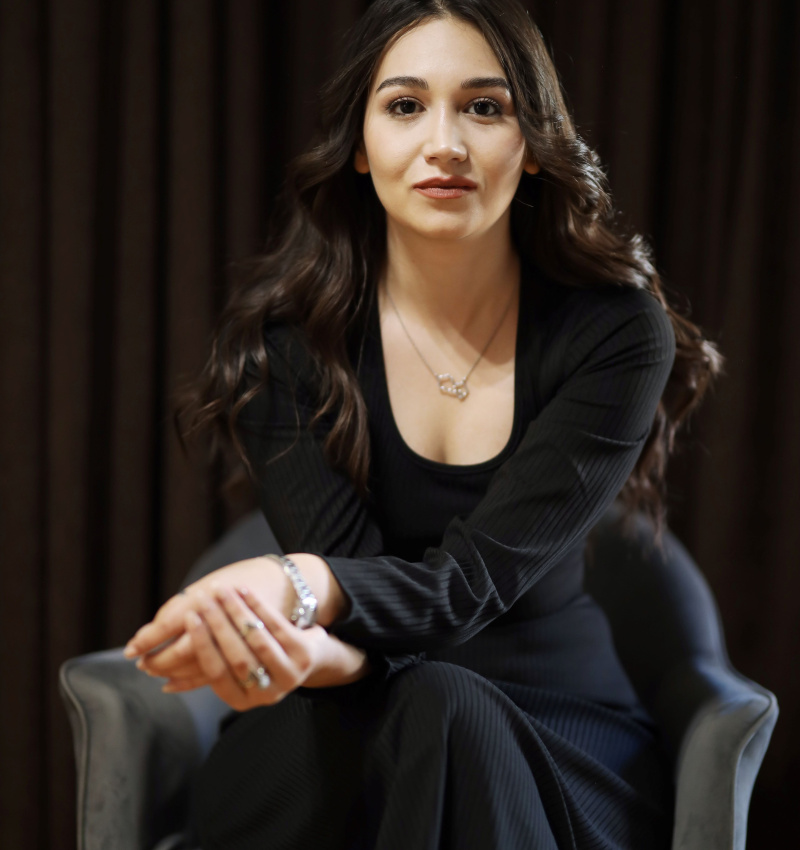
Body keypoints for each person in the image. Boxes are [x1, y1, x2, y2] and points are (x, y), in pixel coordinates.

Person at [125, 1, 722, 847]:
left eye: (484, 107)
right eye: (405, 105)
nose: (445, 143)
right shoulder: (284, 347)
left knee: (448, 705)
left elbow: (465, 588)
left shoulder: (616, 333)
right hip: (345, 704)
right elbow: (358, 614)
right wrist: (312, 653)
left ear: (534, 144)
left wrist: (298, 584)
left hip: (547, 722)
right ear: (359, 147)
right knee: (424, 704)